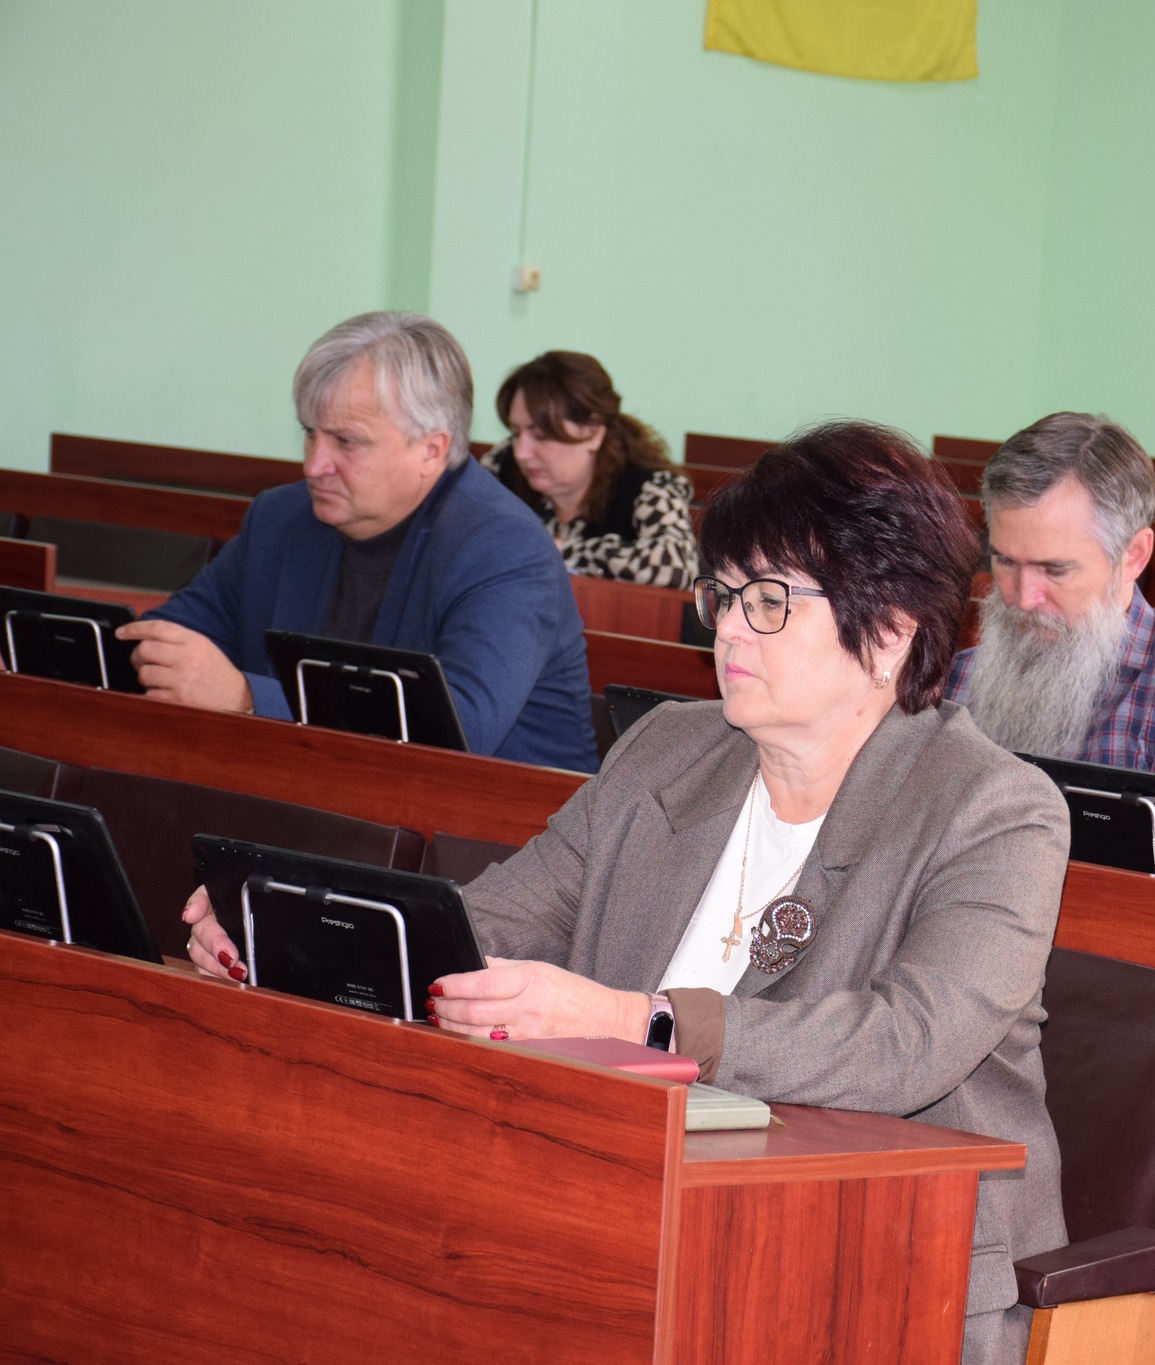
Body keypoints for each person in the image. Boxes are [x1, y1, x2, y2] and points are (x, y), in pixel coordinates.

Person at [184, 420, 1071, 1365]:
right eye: (724, 593)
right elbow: (497, 919)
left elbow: (905, 1044)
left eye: (769, 600)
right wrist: (292, 936)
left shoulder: (995, 811)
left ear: (890, 629)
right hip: (623, 1215)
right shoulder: (670, 749)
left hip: (885, 1271)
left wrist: (635, 1021)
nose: (729, 627)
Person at [116, 312, 596, 772]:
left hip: (503, 820)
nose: (314, 465)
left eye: (346, 442)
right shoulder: (281, 518)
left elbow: (459, 730)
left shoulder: (504, 548)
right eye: (310, 434)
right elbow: (176, 635)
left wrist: (245, 697)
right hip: (317, 793)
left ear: (431, 451)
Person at [945, 412, 1155, 890]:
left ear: (1133, 556)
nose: (1023, 596)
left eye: (1054, 569)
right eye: (1004, 561)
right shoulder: (961, 676)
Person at [481, 350, 698, 587]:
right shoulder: (501, 464)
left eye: (541, 436)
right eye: (515, 433)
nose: (522, 452)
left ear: (594, 431)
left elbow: (676, 567)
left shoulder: (647, 485)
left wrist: (555, 551)